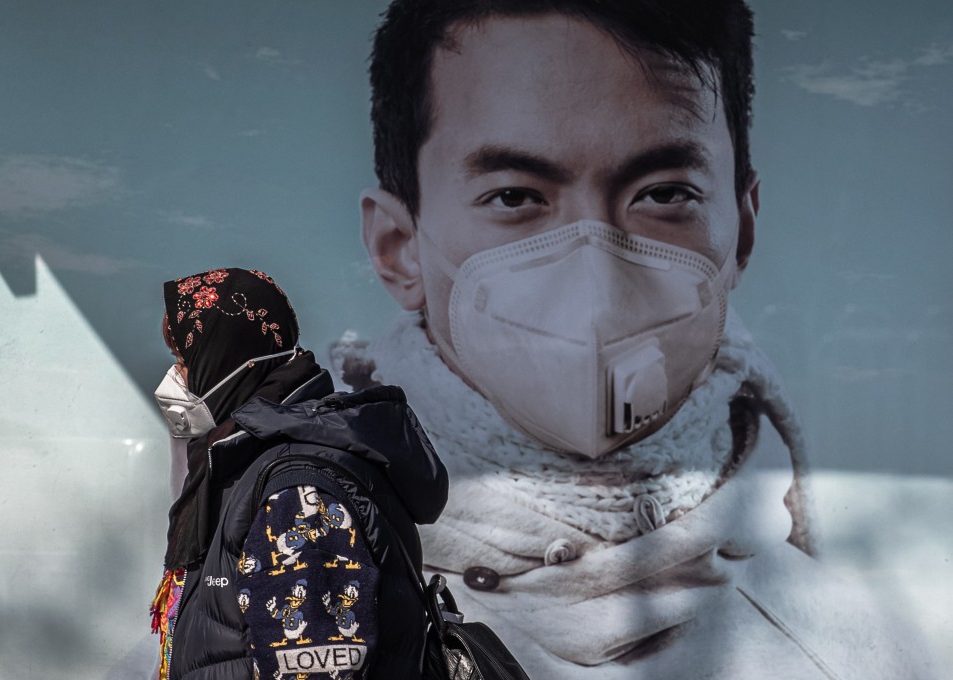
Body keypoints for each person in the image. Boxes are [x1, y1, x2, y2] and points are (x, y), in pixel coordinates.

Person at [330, 1, 943, 678]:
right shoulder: (300, 583)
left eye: (662, 193)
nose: (598, 281)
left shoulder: (899, 632)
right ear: (398, 247)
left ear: (741, 229)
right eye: (514, 196)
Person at [150, 267, 447, 680]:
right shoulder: (260, 461)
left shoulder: (298, 488)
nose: (175, 378)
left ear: (230, 359)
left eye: (184, 361)